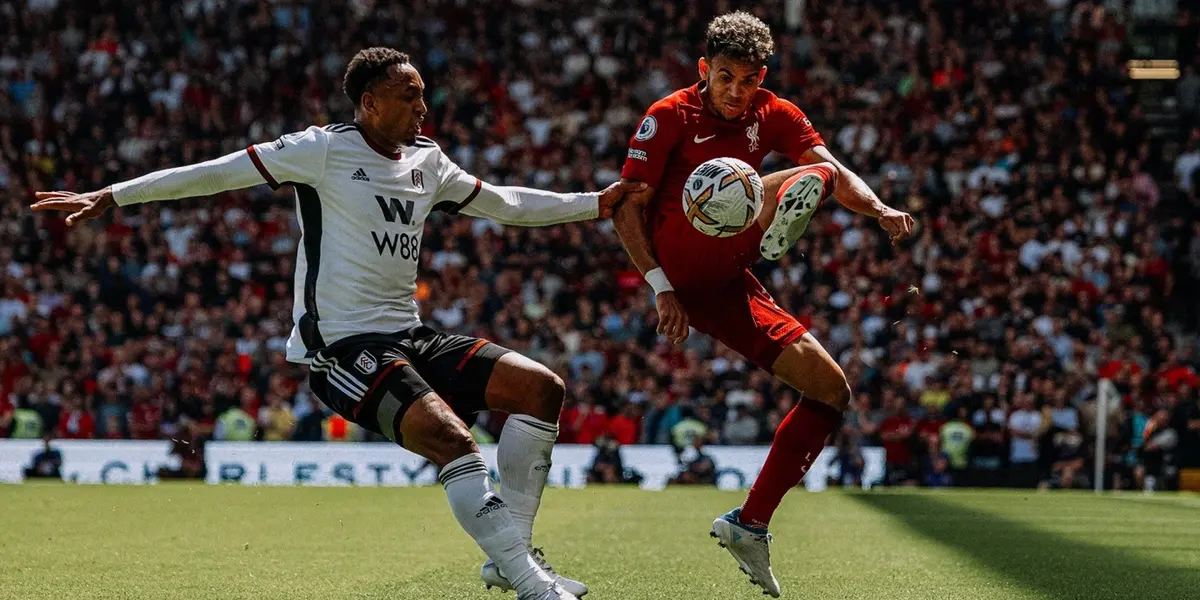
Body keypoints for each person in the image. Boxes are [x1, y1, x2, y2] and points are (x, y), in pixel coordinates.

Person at [31, 47, 643, 600]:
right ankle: (531, 583)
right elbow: (216, 172)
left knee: (542, 388)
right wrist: (115, 194)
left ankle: (513, 558)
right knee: (454, 441)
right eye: (410, 96)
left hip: (410, 334)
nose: (423, 107)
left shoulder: (428, 161)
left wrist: (592, 204)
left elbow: (502, 202)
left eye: (423, 94)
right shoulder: (321, 150)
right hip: (341, 349)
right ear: (369, 102)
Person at [612, 12, 914, 596]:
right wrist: (658, 285)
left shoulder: (774, 111)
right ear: (704, 70)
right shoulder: (668, 115)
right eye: (725, 78)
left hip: (729, 278)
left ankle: (750, 524)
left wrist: (878, 210)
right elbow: (626, 206)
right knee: (766, 179)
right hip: (679, 260)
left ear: (762, 77)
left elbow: (836, 169)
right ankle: (771, 213)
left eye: (748, 81)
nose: (736, 91)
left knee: (831, 389)